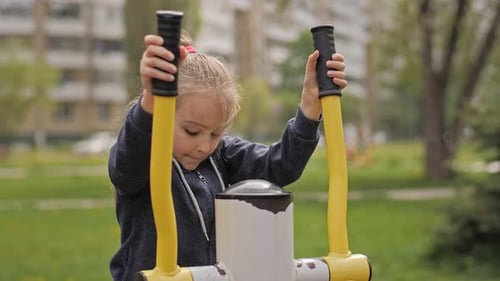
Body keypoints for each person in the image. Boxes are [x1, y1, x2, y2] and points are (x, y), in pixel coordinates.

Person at [108, 33, 347, 281]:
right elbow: (127, 162)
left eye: (216, 132)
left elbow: (281, 165)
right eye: (192, 131)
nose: (204, 145)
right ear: (160, 113)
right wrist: (150, 99)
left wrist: (310, 105)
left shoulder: (221, 154)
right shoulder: (142, 162)